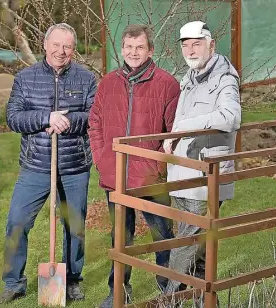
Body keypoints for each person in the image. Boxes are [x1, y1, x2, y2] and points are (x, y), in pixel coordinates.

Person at [0, 23, 97, 304]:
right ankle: (14, 282)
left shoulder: (86, 79)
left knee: (74, 227)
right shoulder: (25, 78)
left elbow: (93, 116)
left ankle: (73, 279)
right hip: (35, 166)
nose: (60, 51)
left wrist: (67, 121)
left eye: (67, 46)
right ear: (44, 44)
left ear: (73, 49)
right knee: (16, 222)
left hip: (74, 165)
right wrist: (45, 118)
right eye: (56, 44)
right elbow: (14, 117)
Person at [88, 24, 180, 308]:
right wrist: (102, 159)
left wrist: (158, 165)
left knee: (161, 234)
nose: (133, 52)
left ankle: (170, 290)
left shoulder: (167, 84)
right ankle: (118, 290)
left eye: (140, 47)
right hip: (115, 174)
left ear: (150, 50)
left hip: (149, 176)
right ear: (122, 49)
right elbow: (95, 123)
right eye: (128, 47)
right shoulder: (108, 82)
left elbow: (173, 133)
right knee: (120, 236)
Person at [163, 20, 241, 305]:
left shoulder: (224, 78)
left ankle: (168, 300)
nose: (191, 50)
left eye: (197, 44)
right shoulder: (191, 75)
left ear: (211, 44)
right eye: (186, 45)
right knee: (199, 248)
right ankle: (206, 303)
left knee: (186, 243)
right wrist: (173, 134)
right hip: (184, 174)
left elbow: (230, 117)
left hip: (206, 178)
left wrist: (184, 127)